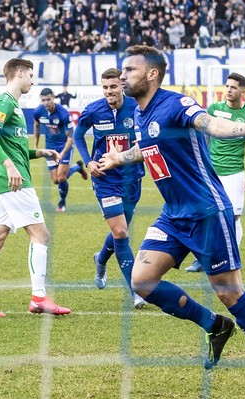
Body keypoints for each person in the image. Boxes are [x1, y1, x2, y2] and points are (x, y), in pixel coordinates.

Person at [98, 45, 245, 392]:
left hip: (206, 212)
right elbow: (148, 149)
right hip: (173, 215)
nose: (123, 75)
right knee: (141, 281)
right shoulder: (141, 114)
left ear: (152, 74)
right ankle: (214, 326)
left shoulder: (175, 104)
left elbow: (210, 124)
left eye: (130, 70)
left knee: (229, 292)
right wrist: (120, 159)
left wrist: (241, 130)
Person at [0, 58, 71, 317]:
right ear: (20, 73)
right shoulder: (4, 101)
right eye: (31, 76)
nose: (33, 81)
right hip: (14, 182)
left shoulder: (13, 105)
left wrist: (39, 151)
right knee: (41, 235)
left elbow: (15, 146)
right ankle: (39, 298)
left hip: (3, 183)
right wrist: (10, 166)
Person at [73, 68, 147, 309]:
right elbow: (77, 135)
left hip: (131, 177)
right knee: (121, 233)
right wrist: (88, 161)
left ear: (121, 86)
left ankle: (101, 258)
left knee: (120, 230)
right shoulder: (93, 110)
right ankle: (137, 291)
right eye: (105, 87)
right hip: (104, 178)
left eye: (113, 87)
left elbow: (144, 136)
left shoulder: (135, 107)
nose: (108, 92)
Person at [186, 72, 245, 273]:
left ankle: (230, 257)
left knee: (233, 216)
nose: (228, 90)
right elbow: (205, 139)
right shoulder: (214, 109)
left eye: (233, 87)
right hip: (210, 172)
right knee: (205, 214)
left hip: (234, 172)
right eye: (227, 86)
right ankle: (203, 258)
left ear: (243, 90)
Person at [33, 87, 88, 212]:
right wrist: (35, 146)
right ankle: (77, 167)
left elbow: (70, 138)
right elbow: (36, 127)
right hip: (49, 147)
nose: (46, 103)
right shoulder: (38, 112)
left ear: (53, 97)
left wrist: (62, 154)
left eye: (48, 99)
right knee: (55, 180)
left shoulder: (63, 114)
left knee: (62, 178)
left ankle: (62, 203)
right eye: (43, 100)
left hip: (64, 146)